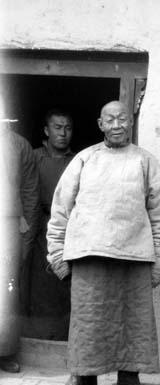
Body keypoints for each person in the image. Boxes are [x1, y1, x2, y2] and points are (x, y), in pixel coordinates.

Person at [47, 100, 160, 385]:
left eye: (122, 119)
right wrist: (57, 254)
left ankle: (128, 381)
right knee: (87, 322)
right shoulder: (85, 158)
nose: (117, 125)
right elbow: (61, 208)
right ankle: (83, 379)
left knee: (133, 322)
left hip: (134, 257)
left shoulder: (145, 161)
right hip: (88, 256)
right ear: (100, 124)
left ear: (130, 123)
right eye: (110, 120)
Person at [28, 109, 75, 339]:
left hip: (69, 228)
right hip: (39, 226)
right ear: (46, 130)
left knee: (65, 284)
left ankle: (64, 339)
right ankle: (39, 338)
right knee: (40, 283)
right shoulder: (34, 157)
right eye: (57, 127)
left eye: (67, 128)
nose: (63, 133)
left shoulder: (78, 160)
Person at [0, 115, 39, 372]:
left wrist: (27, 234)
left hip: (9, 224)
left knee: (7, 289)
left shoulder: (20, 145)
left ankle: (4, 352)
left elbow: (29, 191)